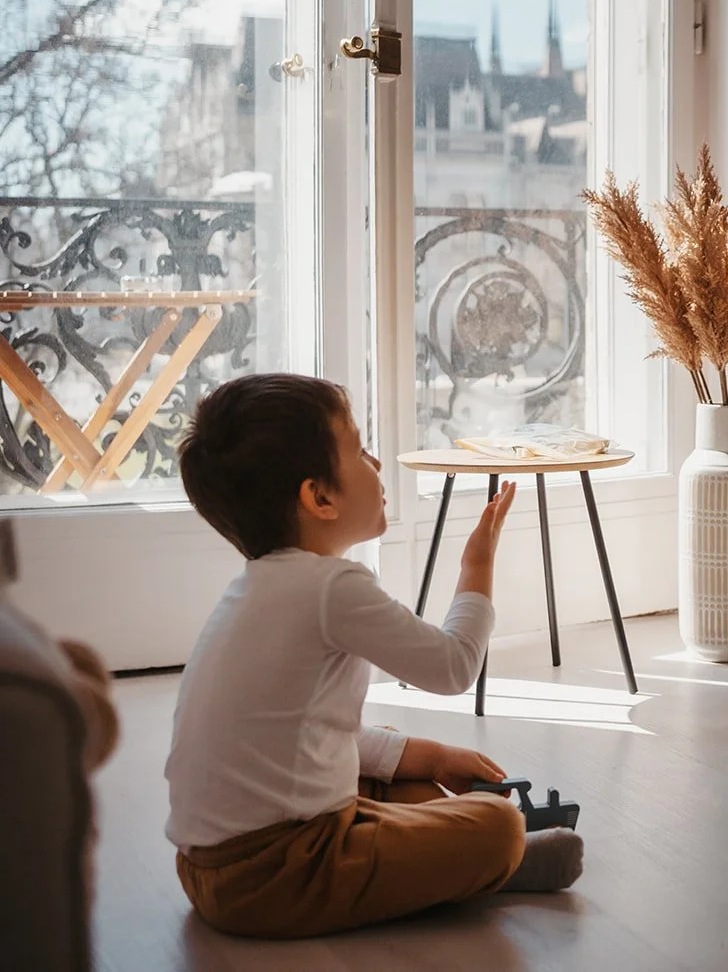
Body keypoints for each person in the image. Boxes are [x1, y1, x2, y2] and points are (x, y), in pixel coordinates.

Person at [165, 374, 581, 939]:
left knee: (406, 781)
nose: (377, 462)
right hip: (273, 875)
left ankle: (440, 850)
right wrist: (475, 569)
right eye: (359, 448)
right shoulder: (332, 587)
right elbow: (455, 666)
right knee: (498, 826)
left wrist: (429, 756)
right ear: (319, 497)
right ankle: (498, 860)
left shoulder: (256, 586)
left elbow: (303, 734)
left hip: (211, 866)